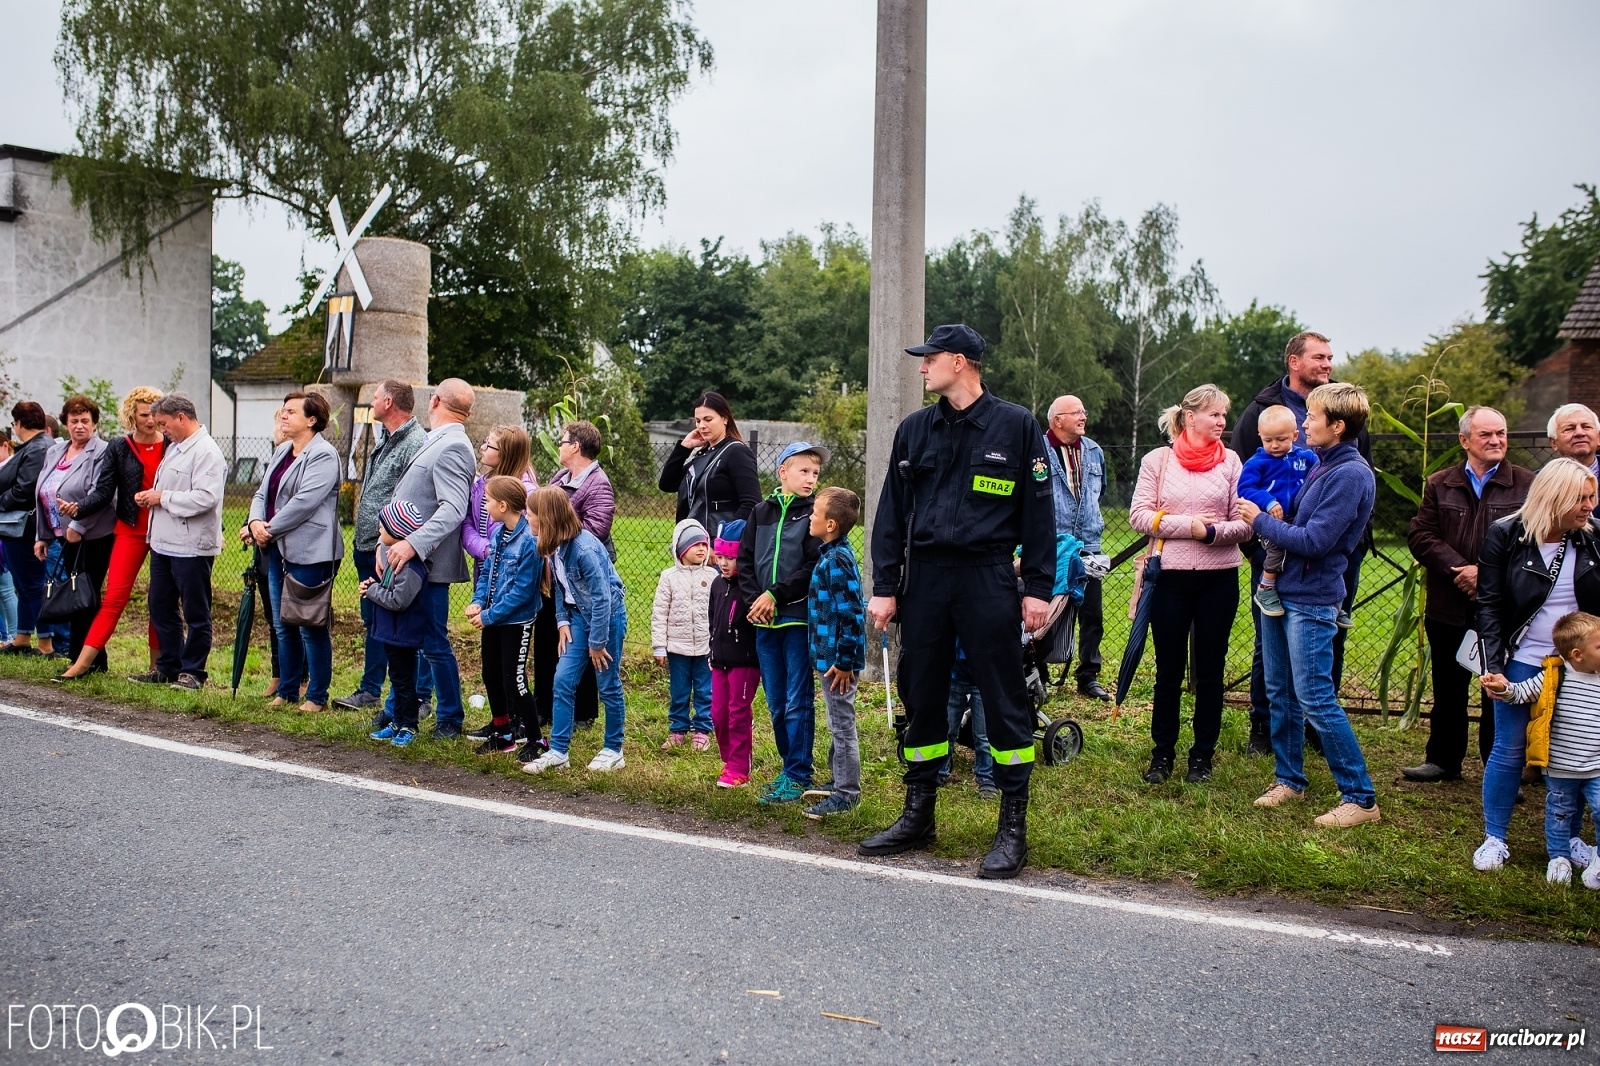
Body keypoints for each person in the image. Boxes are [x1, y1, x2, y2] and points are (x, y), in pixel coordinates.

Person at [862, 323, 1056, 881]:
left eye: (930, 359)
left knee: (1003, 698)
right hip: (924, 580)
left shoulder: (1016, 425)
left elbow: (1040, 515)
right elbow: (892, 515)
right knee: (921, 693)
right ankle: (919, 815)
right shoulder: (915, 430)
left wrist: (1038, 588)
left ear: (961, 362)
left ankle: (1011, 829)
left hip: (987, 577)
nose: (922, 368)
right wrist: (885, 586)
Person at [1239, 383, 1381, 827]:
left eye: (1312, 417)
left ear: (1337, 426)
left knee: (1316, 697)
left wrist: (1258, 520)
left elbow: (1316, 541)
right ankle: (1289, 778)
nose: (1304, 423)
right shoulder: (1322, 465)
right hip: (1285, 594)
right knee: (1280, 691)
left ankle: (1360, 798)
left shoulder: (1351, 475)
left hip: (1313, 598)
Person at [1232, 331, 1373, 755]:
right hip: (1277, 546)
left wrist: (1353, 540)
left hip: (1320, 555)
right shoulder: (1260, 412)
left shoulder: (1338, 425)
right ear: (1294, 361)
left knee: (1321, 653)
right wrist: (1261, 543)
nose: (1328, 363)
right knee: (1270, 652)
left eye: (1331, 357)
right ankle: (1269, 732)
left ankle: (1319, 733)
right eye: (1319, 356)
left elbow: (1348, 487)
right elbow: (1245, 480)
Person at [1471, 457, 1600, 871]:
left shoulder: (1592, 538)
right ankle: (1495, 838)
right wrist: (1495, 667)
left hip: (1577, 665)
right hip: (1523, 658)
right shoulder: (1505, 535)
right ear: (1556, 497)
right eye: (1581, 499)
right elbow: (1488, 605)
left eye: (1591, 497)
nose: (1589, 507)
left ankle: (1572, 838)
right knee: (1509, 749)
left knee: (1577, 752)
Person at [1128, 383, 1252, 786]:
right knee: (1168, 671)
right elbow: (1139, 516)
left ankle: (1202, 757)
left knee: (1211, 672)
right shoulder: (1157, 461)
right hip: (1169, 578)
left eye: (1224, 414)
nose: (1222, 422)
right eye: (1215, 414)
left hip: (1219, 579)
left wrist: (1211, 533)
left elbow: (1244, 523)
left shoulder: (1232, 461)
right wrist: (1189, 526)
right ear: (1191, 416)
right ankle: (1161, 756)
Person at [1403, 406, 1534, 782]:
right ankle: (1443, 760)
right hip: (1448, 605)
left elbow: (1534, 543)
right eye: (1486, 435)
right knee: (1448, 685)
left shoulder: (1526, 485)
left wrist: (1487, 576)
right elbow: (1421, 536)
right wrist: (1459, 569)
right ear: (1464, 441)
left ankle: (1501, 770)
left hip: (1504, 608)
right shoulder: (1440, 483)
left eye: (1501, 433)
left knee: (1500, 689)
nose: (1496, 441)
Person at [380, 379, 478, 739]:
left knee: (434, 643)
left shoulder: (454, 446)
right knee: (405, 640)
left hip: (428, 565)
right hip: (404, 559)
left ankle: (450, 717)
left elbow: (452, 508)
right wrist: (385, 546)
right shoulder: (437, 439)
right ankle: (399, 709)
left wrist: (411, 546)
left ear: (435, 400)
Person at [54, 388, 166, 682]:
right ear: (132, 416)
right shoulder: (120, 446)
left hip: (165, 530)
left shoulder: (172, 444)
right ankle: (82, 663)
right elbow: (104, 491)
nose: (151, 420)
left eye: (155, 414)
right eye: (144, 415)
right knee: (114, 597)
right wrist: (78, 509)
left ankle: (157, 668)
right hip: (130, 528)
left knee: (160, 599)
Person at [1481, 611, 1600, 887]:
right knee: (1560, 812)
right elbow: (1522, 692)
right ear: (1578, 655)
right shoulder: (1553, 677)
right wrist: (1504, 688)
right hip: (1559, 766)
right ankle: (1558, 858)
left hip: (1595, 766)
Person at [737, 441, 826, 804]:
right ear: (783, 472)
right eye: (803, 471)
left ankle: (799, 773)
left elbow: (811, 566)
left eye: (816, 473)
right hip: (764, 623)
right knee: (775, 701)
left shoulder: (814, 515)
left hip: (795, 620)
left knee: (797, 700)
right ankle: (789, 767)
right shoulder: (762, 512)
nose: (810, 479)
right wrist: (755, 603)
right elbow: (744, 562)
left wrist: (776, 595)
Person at [245, 392, 343, 711]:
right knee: (282, 624)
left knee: (309, 625)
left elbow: (304, 503)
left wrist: (267, 529)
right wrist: (256, 520)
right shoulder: (283, 450)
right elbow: (263, 492)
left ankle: (317, 696)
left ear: (311, 420)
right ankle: (287, 690)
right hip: (279, 550)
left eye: (291, 412)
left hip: (311, 552)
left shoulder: (323, 455)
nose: (283, 416)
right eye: (283, 411)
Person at [521, 487, 629, 775]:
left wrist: (597, 643)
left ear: (545, 518)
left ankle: (614, 749)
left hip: (605, 620)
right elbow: (560, 586)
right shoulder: (553, 545)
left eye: (530, 513)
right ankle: (558, 751)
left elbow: (604, 598)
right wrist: (562, 621)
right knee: (563, 680)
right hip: (579, 619)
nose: (526, 517)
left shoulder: (584, 550)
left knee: (607, 684)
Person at [334, 380, 425, 713]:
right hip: (370, 543)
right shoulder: (385, 438)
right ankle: (372, 689)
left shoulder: (415, 442)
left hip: (390, 547)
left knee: (399, 624)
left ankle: (410, 695)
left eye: (375, 398)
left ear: (389, 402)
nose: (371, 402)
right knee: (373, 620)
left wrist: (388, 544)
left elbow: (410, 498)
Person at [137, 393, 225, 687]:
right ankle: (168, 665)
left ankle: (193, 672)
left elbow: (206, 497)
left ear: (181, 418)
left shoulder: (206, 452)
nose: (160, 429)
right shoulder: (176, 448)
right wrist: (153, 498)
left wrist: (162, 497)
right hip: (164, 543)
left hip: (191, 546)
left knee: (195, 611)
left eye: (163, 423)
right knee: (161, 605)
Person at [538, 419, 614, 732]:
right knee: (550, 638)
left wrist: (553, 538)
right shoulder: (561, 476)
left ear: (576, 447)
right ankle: (547, 707)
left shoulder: (599, 485)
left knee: (579, 644)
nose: (559, 445)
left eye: (563, 440)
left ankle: (582, 713)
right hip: (555, 571)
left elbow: (596, 533)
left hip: (581, 578)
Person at [32, 396, 115, 676]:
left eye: (85, 421)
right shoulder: (56, 452)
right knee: (80, 595)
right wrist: (42, 535)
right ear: (65, 423)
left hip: (93, 535)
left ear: (94, 424)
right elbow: (42, 492)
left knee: (84, 596)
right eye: (74, 420)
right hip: (61, 534)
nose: (79, 426)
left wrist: (78, 526)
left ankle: (80, 659)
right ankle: (93, 660)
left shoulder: (102, 451)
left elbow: (100, 494)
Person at [465, 476, 543, 756]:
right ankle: (503, 733)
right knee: (491, 675)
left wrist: (488, 616)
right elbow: (487, 573)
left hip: (515, 621)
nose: (484, 505)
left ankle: (536, 740)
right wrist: (478, 602)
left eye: (487, 500)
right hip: (494, 618)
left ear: (503, 505)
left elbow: (522, 592)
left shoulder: (529, 542)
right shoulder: (498, 534)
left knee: (514, 679)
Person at [801, 486, 865, 820]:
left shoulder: (838, 560)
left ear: (830, 524)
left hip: (839, 664)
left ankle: (846, 794)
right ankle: (839, 779)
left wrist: (843, 661)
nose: (811, 515)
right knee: (835, 720)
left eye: (815, 512)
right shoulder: (830, 554)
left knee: (842, 725)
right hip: (830, 660)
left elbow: (853, 614)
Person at [1043, 395, 1110, 700]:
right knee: (1044, 610)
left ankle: (1088, 674)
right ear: (1057, 420)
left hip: (1089, 544)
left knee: (1092, 613)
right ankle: (1038, 672)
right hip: (1051, 544)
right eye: (1076, 413)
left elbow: (1101, 490)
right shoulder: (1038, 450)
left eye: (1084, 411)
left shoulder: (1094, 450)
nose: (1084, 417)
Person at [1238, 405, 1318, 619]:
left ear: (1295, 435)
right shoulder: (1257, 462)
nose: (1274, 445)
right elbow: (1245, 488)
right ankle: (1266, 587)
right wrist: (1268, 501)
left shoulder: (1307, 459)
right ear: (1260, 437)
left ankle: (1325, 600)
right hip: (1269, 519)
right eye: (1268, 440)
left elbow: (1322, 473)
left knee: (1310, 551)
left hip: (1300, 519)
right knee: (1277, 549)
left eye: (1281, 439)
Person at [362, 501, 431, 748]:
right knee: (398, 678)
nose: (379, 532)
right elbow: (389, 590)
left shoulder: (411, 567)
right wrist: (374, 586)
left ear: (398, 530)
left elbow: (398, 600)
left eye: (383, 528)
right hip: (393, 633)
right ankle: (397, 720)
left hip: (403, 633)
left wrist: (372, 591)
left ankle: (408, 725)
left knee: (404, 682)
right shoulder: (394, 559)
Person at [652, 518, 716, 749]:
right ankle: (677, 729)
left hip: (705, 648)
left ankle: (702, 729)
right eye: (695, 544)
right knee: (679, 691)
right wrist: (659, 645)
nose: (701, 549)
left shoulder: (712, 577)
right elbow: (659, 612)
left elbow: (718, 612)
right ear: (681, 549)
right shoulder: (668, 577)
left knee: (704, 690)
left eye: (704, 544)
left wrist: (717, 643)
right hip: (677, 647)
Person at [657, 391, 761, 533]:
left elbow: (751, 504)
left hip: (721, 548)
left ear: (725, 418)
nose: (702, 426)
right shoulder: (704, 455)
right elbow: (667, 484)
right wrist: (684, 447)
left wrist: (723, 541)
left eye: (708, 419)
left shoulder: (736, 452)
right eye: (698, 421)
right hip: (695, 543)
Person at [707, 519, 759, 788]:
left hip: (745, 662)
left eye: (732, 557)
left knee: (738, 712)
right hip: (719, 662)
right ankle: (730, 760)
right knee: (717, 713)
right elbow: (712, 620)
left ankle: (740, 767)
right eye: (721, 556)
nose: (724, 563)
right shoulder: (716, 585)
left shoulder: (750, 587)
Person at [0, 401, 54, 656]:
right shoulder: (37, 446)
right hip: (21, 526)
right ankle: (22, 637)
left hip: (24, 527)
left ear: (19, 424)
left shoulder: (37, 448)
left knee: (32, 584)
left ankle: (45, 643)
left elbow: (25, 489)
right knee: (24, 584)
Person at [462, 425, 539, 579]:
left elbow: (531, 539)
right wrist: (484, 548)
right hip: (485, 573)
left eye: (489, 445)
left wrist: (496, 552)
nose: (482, 448)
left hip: (511, 577)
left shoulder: (527, 493)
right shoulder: (481, 485)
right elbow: (467, 521)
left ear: (505, 454)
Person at [938, 647, 997, 798]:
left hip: (983, 678)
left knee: (983, 735)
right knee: (947, 730)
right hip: (954, 675)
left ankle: (987, 778)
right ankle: (940, 771)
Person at [1547, 403, 1599, 477]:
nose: (1579, 433)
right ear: (1554, 443)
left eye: (1586, 426)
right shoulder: (1538, 482)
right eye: (1569, 429)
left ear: (1598, 438)